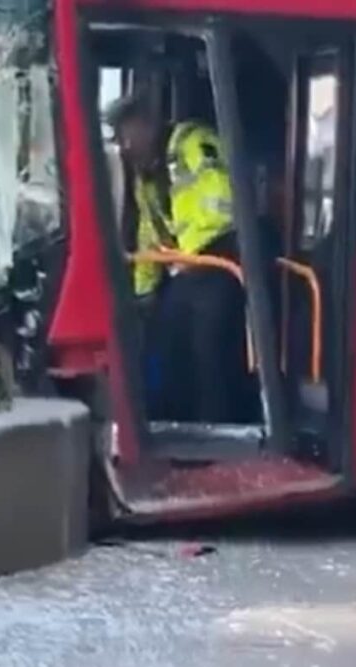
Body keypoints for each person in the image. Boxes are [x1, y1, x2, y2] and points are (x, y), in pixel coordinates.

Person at [105, 92, 249, 423]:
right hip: (188, 271)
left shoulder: (192, 143)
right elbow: (149, 236)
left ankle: (217, 432)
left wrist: (194, 251)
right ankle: (175, 425)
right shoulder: (146, 175)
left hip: (221, 261)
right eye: (118, 138)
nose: (124, 146)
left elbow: (223, 201)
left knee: (208, 352)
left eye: (126, 134)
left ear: (147, 124)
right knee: (166, 344)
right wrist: (144, 293)